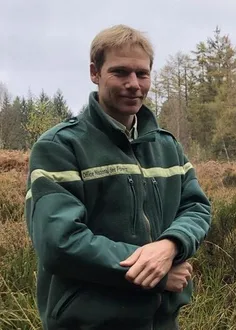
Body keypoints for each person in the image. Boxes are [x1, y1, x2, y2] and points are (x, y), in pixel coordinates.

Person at [24, 24, 212, 330]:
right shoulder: (59, 147)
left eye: (142, 73)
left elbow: (197, 207)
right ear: (95, 73)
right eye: (120, 72)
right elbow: (59, 243)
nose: (133, 84)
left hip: (162, 322)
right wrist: (157, 273)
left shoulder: (166, 146)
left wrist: (170, 245)